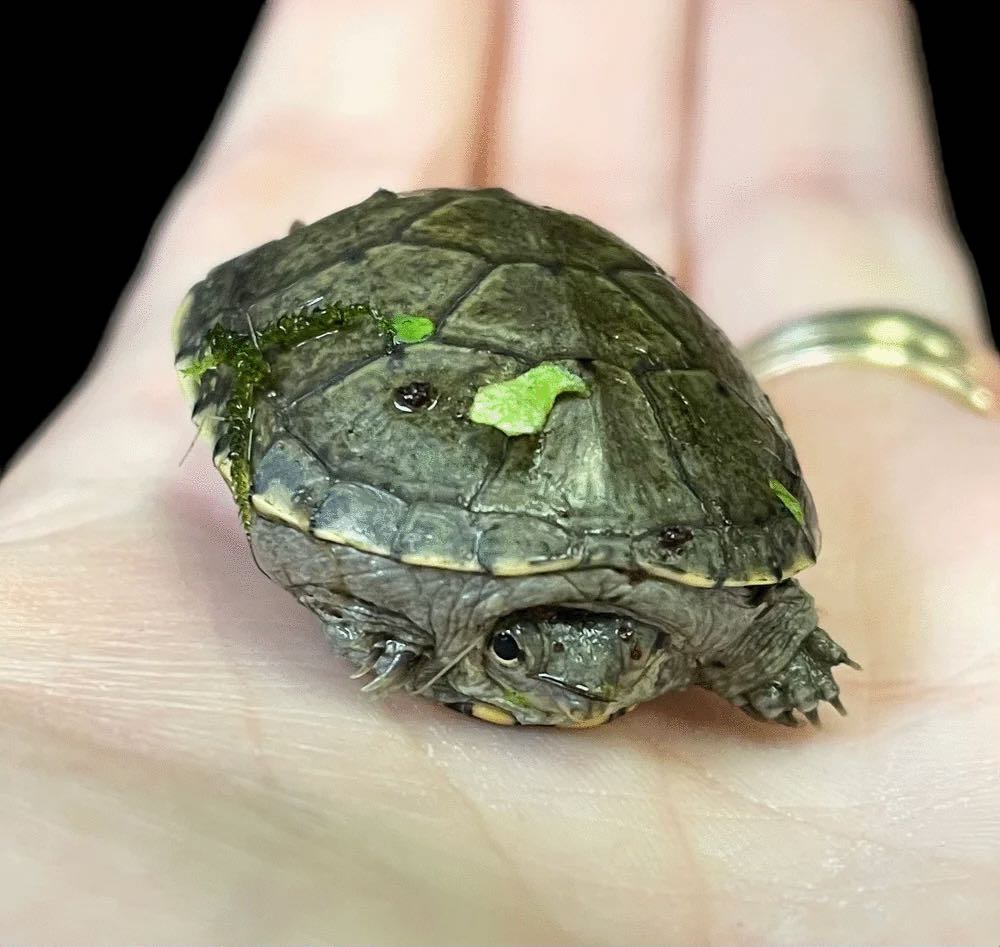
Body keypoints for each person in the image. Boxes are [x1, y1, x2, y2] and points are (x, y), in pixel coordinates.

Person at [2, 2, 997, 941]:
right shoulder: (430, 571)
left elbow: (764, 601)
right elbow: (297, 531)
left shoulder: (711, 601)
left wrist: (771, 645)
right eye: (525, 658)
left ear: (661, 646)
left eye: (636, 661)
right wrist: (379, 609)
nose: (581, 687)